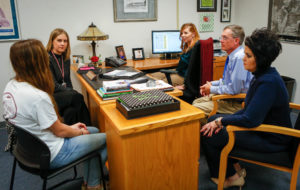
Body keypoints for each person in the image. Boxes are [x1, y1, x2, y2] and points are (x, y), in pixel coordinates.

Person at [3, 39, 107, 190]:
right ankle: (93, 185)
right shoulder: (38, 96)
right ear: (38, 62)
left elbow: (50, 126)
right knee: (107, 139)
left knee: (95, 131)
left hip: (27, 151)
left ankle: (89, 182)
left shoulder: (11, 86)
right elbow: (60, 131)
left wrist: (73, 127)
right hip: (52, 153)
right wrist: (78, 131)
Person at [200, 28, 292, 188]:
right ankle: (234, 168)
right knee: (213, 120)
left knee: (211, 134)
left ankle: (231, 177)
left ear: (261, 59)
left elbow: (250, 119)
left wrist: (221, 122)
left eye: (248, 56)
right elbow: (249, 111)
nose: (243, 58)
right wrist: (220, 120)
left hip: (272, 138)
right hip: (262, 129)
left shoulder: (267, 83)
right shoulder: (263, 76)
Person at [193, 25, 252, 124]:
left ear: (236, 41)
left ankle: (212, 131)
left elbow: (234, 89)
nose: (221, 40)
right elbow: (226, 81)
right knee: (196, 102)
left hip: (237, 103)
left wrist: (211, 89)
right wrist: (211, 84)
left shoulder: (239, 58)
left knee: (195, 109)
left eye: (225, 38)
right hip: (230, 97)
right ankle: (209, 130)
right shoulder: (232, 56)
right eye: (221, 37)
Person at [46, 28, 91, 125]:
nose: (62, 44)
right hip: (52, 95)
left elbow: (67, 80)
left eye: (65, 41)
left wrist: (70, 91)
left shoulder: (65, 58)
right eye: (59, 40)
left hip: (64, 94)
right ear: (52, 42)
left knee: (70, 111)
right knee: (78, 97)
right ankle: (88, 127)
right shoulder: (47, 58)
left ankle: (76, 131)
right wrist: (71, 92)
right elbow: (53, 85)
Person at [151, 23, 200, 88]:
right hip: (179, 72)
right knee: (151, 77)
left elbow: (190, 69)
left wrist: (185, 85)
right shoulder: (188, 46)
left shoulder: (194, 48)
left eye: (186, 33)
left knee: (159, 84)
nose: (182, 35)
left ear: (193, 34)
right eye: (181, 33)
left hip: (184, 77)